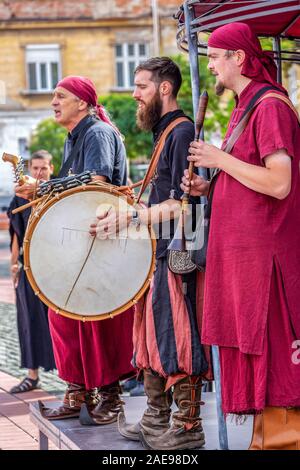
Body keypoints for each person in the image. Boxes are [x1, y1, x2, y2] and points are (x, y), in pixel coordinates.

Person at [181, 23, 300, 450]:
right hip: (244, 261)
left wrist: (217, 159)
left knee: (276, 366)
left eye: (215, 56)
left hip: (265, 264)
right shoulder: (244, 105)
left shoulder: (270, 106)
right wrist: (209, 184)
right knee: (258, 364)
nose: (209, 65)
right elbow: (249, 179)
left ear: (240, 58)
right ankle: (264, 442)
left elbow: (279, 183)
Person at [90, 57, 210, 450]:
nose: (134, 94)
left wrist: (131, 218)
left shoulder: (181, 132)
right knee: (151, 338)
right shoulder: (165, 133)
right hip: (157, 254)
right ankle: (156, 417)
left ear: (163, 88)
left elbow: (182, 205)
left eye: (141, 86)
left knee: (175, 337)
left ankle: (188, 426)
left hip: (176, 256)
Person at [16, 76, 135, 423]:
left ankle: (111, 396)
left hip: (102, 240)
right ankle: (79, 390)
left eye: (60, 96)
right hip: (82, 241)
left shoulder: (97, 132)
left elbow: (95, 181)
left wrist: (43, 186)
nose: (53, 101)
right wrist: (41, 192)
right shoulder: (75, 136)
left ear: (81, 103)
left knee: (98, 320)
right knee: (66, 317)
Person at [8, 150, 56, 393]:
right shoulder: (20, 198)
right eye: (35, 169)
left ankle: (74, 379)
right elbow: (16, 233)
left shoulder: (58, 194)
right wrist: (14, 265)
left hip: (57, 267)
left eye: (43, 168)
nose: (39, 173)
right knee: (28, 319)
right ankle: (32, 375)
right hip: (29, 266)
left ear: (51, 168)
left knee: (59, 321)